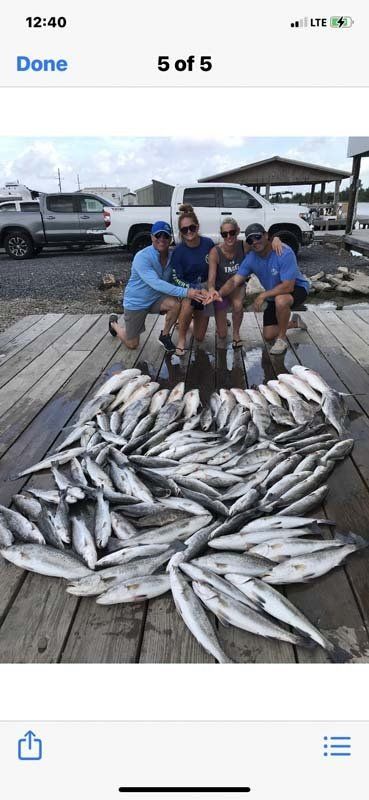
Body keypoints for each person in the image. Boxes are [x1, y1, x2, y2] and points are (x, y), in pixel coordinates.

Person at [209, 223, 309, 355]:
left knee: (281, 300)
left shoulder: (284, 252)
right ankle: (294, 323)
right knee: (268, 335)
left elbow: (288, 286)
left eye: (257, 237)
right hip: (274, 294)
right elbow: (234, 280)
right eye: (251, 239)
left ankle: (282, 339)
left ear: (266, 235)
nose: (255, 241)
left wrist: (263, 295)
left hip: (297, 288)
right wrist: (218, 293)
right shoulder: (251, 258)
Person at [108, 220, 206, 352]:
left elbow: (178, 278)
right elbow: (156, 283)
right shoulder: (142, 257)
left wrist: (199, 288)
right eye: (158, 235)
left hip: (156, 298)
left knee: (175, 304)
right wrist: (187, 292)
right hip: (137, 302)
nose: (162, 239)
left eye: (165, 236)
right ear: (151, 237)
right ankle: (114, 324)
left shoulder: (172, 257)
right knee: (132, 344)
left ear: (170, 238)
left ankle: (164, 335)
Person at [207, 218, 283, 348]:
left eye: (232, 232)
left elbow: (262, 241)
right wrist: (212, 290)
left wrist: (275, 239)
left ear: (237, 231)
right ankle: (223, 320)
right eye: (224, 234)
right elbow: (211, 278)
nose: (229, 236)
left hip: (237, 285)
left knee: (237, 305)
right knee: (222, 335)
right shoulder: (215, 251)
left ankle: (236, 334)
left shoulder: (245, 245)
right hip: (221, 289)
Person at [171, 205, 214, 356]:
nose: (188, 232)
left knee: (199, 337)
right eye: (184, 230)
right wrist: (192, 289)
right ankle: (181, 339)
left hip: (205, 289)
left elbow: (216, 267)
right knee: (189, 304)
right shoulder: (178, 252)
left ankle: (185, 321)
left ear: (197, 227)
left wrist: (210, 288)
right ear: (181, 232)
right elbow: (176, 279)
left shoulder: (208, 244)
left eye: (192, 228)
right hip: (187, 289)